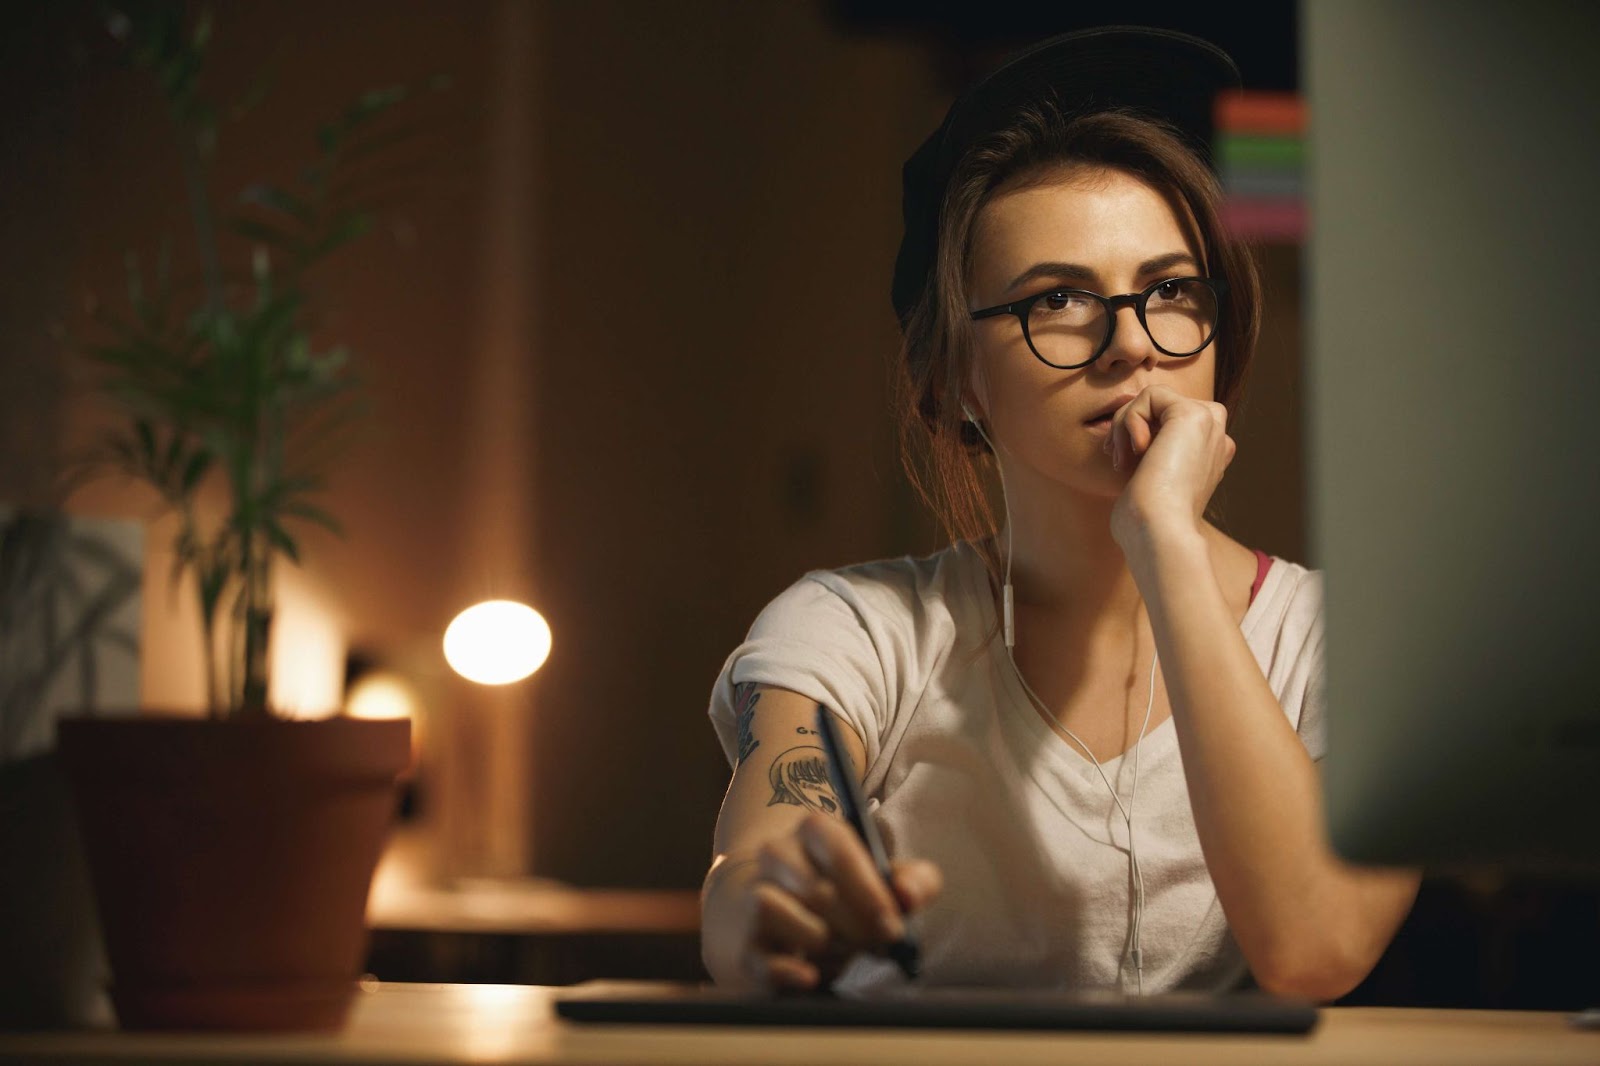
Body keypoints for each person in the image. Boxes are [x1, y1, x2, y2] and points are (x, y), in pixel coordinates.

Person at [699, 26, 1421, 1000]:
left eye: (1168, 291)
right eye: (1058, 302)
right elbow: (760, 868)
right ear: (955, 379)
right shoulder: (852, 629)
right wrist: (767, 916)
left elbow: (1316, 948)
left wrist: (1165, 539)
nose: (1130, 345)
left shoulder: (1343, 638)